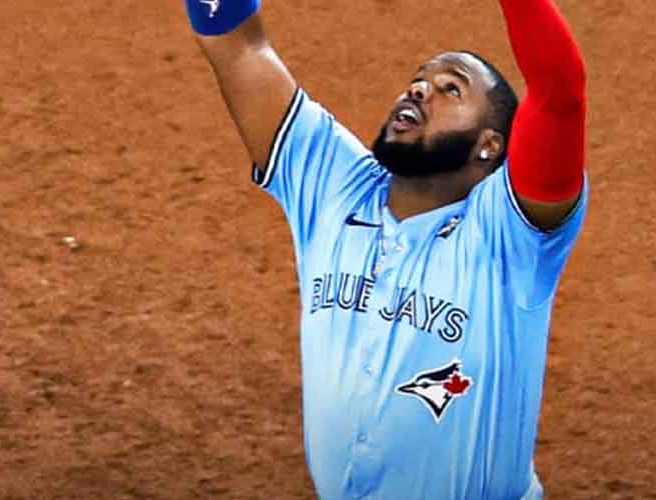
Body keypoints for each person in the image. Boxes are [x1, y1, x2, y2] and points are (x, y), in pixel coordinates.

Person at [183, 0, 587, 498]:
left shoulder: (512, 236)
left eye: (450, 88)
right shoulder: (332, 184)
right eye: (419, 79)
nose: (420, 89)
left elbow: (560, 92)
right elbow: (237, 45)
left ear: (490, 145)